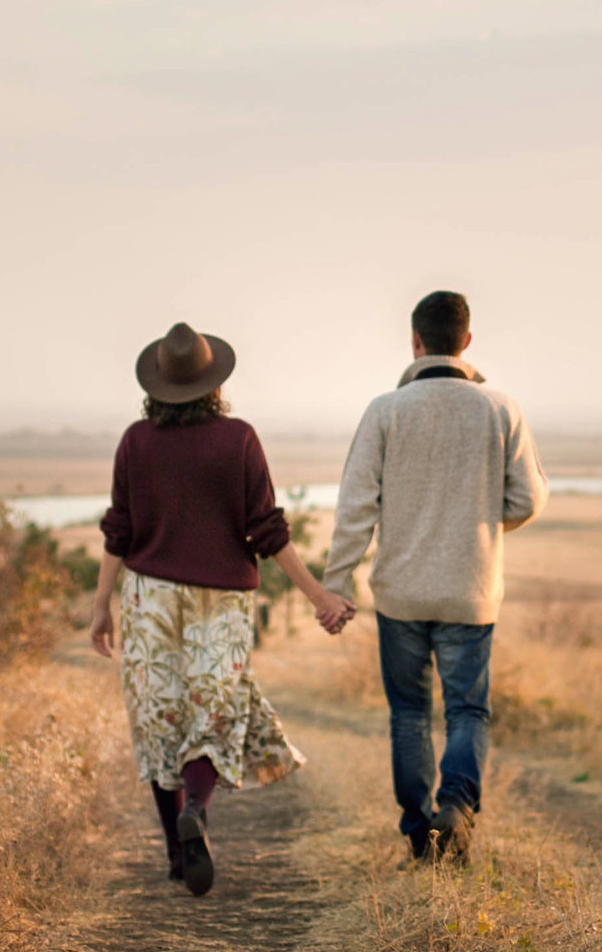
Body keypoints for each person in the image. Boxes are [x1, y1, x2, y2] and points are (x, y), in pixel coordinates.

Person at [88, 321, 356, 896]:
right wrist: (319, 597)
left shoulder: (136, 441)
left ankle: (178, 858)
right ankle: (199, 809)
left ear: (156, 385)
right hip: (222, 600)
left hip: (147, 597)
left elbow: (119, 531)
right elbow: (266, 530)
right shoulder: (239, 439)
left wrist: (100, 608)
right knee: (215, 711)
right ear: (212, 384)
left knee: (160, 720)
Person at [322, 290, 548, 863]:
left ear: (415, 341)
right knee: (467, 710)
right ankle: (458, 806)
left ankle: (419, 831)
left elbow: (355, 506)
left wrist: (337, 579)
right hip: (470, 590)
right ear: (466, 341)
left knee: (409, 712)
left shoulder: (384, 411)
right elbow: (527, 498)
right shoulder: (500, 410)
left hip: (399, 591)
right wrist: (483, 526)